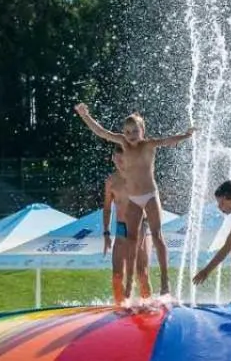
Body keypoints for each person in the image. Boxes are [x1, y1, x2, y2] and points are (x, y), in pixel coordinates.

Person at [76, 104, 194, 298]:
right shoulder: (122, 142)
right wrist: (85, 115)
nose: (130, 135)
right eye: (127, 131)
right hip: (134, 199)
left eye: (135, 131)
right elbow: (101, 132)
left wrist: (185, 135)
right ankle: (129, 284)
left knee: (157, 235)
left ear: (143, 131)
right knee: (132, 241)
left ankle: (165, 281)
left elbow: (167, 141)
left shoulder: (148, 145)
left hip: (150, 196)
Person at [101, 152, 152, 303]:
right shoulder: (111, 181)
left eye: (123, 158)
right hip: (122, 228)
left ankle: (148, 306)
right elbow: (107, 208)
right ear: (113, 159)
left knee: (142, 273)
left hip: (140, 226)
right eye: (117, 158)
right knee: (117, 275)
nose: (120, 161)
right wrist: (106, 232)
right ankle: (120, 308)